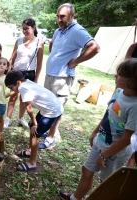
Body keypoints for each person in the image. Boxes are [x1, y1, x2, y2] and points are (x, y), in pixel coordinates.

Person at [59, 58, 137, 200]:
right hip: (101, 142)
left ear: (131, 81)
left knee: (107, 183)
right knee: (87, 171)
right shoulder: (119, 91)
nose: (115, 76)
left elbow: (126, 139)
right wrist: (95, 132)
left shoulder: (134, 106)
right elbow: (108, 113)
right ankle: (75, 198)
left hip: (115, 152)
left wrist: (104, 155)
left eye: (119, 75)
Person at [41, 3, 100, 149]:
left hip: (62, 78)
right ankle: (48, 131)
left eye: (63, 16)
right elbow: (53, 45)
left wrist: (76, 61)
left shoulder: (78, 31)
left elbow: (95, 47)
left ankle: (50, 138)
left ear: (72, 16)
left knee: (57, 108)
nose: (59, 19)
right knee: (48, 105)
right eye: (58, 16)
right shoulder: (58, 31)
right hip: (50, 75)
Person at [5, 70, 63, 172]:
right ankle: (30, 151)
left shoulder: (22, 88)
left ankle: (32, 163)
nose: (11, 90)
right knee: (32, 127)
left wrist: (35, 123)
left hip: (52, 111)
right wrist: (34, 122)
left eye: (11, 87)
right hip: (50, 108)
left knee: (35, 133)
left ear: (18, 83)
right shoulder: (26, 82)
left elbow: (29, 108)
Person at [4, 18, 44, 129]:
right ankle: (8, 119)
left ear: (33, 28)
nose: (24, 31)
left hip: (29, 73)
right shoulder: (19, 41)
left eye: (27, 28)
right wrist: (9, 71)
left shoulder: (39, 43)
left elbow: (39, 63)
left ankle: (21, 118)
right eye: (23, 28)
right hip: (16, 72)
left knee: (24, 98)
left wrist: (36, 79)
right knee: (12, 97)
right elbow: (12, 58)